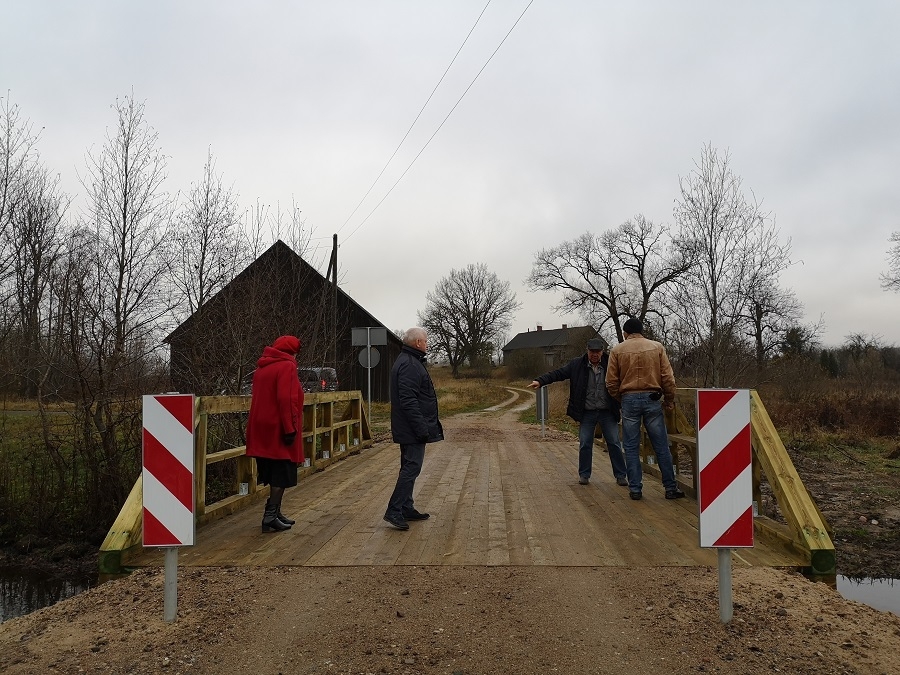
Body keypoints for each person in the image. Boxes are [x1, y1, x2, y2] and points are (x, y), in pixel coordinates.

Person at [527, 337, 628, 486]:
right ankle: (584, 474)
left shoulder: (612, 364)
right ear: (587, 351)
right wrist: (541, 381)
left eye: (597, 352)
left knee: (614, 443)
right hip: (587, 412)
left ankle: (620, 475)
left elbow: (626, 377)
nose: (594, 354)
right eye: (592, 351)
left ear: (602, 352)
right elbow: (559, 373)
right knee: (585, 443)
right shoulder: (577, 365)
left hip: (607, 411)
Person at [605, 318, 685, 501]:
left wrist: (621, 398)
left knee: (631, 447)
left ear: (625, 333)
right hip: (652, 399)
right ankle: (670, 488)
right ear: (641, 331)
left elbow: (611, 382)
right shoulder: (657, 347)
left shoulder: (617, 350)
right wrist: (669, 400)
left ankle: (635, 489)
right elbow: (668, 378)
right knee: (661, 446)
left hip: (629, 399)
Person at [383, 327, 444, 531]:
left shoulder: (409, 360)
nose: (427, 344)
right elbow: (408, 400)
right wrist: (421, 428)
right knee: (411, 468)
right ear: (418, 343)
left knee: (408, 467)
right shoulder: (410, 364)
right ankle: (394, 509)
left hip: (408, 427)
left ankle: (406, 507)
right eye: (426, 341)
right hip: (411, 428)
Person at [246, 335, 305, 532]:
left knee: (272, 471)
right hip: (278, 428)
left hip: (262, 428)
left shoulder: (262, 368)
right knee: (281, 472)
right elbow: (286, 399)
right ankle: (270, 516)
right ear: (292, 351)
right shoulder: (287, 366)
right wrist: (290, 428)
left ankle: (275, 512)